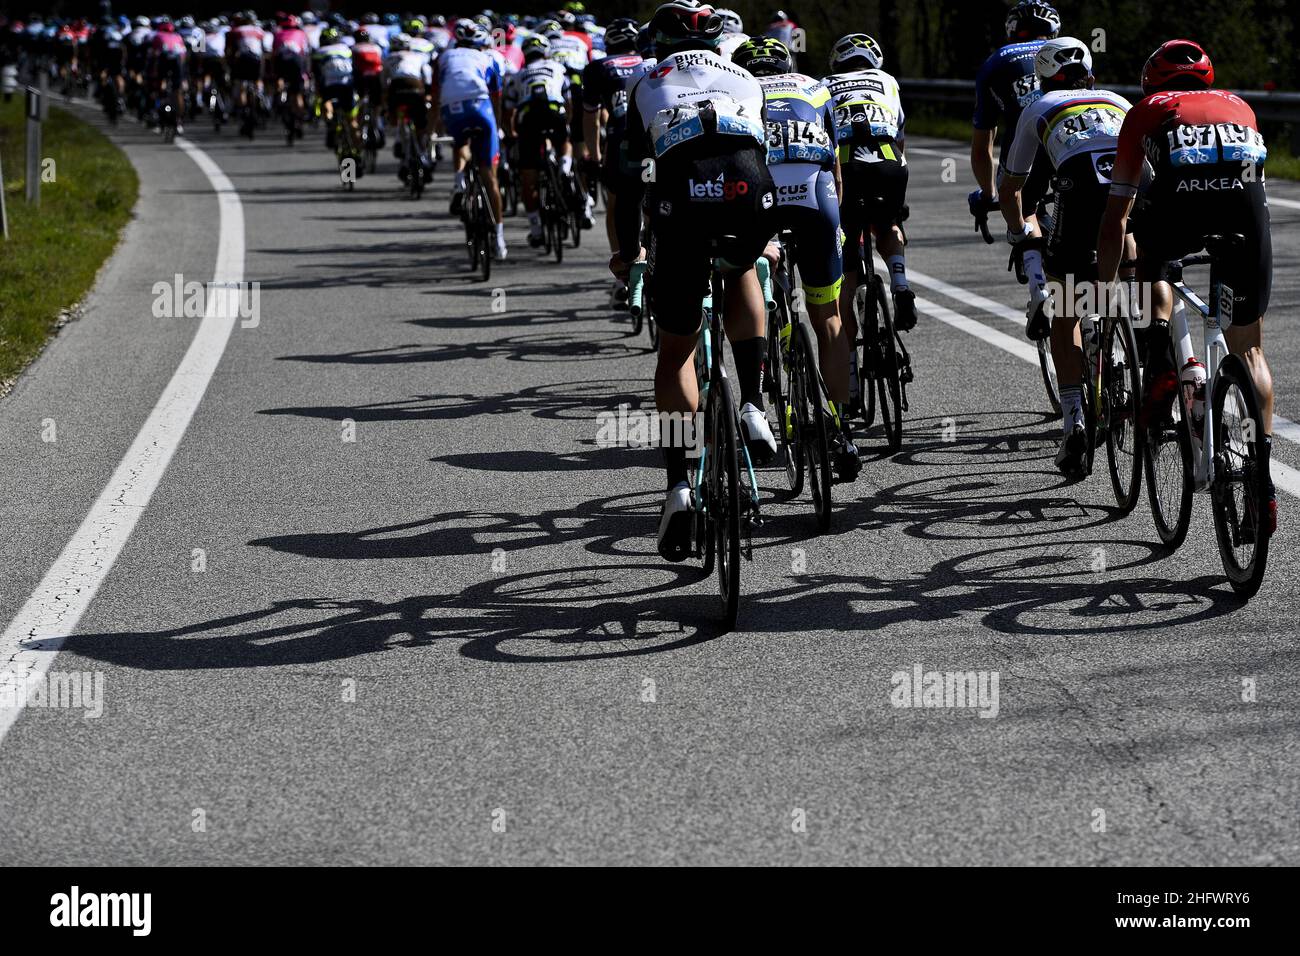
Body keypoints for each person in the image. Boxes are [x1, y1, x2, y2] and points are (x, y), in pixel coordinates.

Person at [612, 0, 778, 561]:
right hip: (747, 189)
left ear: (658, 44)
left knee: (675, 353)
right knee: (743, 272)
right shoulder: (745, 76)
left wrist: (624, 251)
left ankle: (679, 485)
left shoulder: (643, 79)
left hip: (680, 203)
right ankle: (754, 404)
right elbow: (763, 149)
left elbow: (628, 176)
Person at [1097, 39, 1275, 527]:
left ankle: (1161, 362)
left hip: (1177, 207)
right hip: (1245, 212)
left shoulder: (1145, 110)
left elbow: (1116, 214)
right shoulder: (1240, 105)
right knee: (1251, 352)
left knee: (1149, 257)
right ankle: (1261, 478)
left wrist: (1105, 286)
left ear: (1150, 81)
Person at [999, 37, 1132, 477]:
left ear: (1042, 79)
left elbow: (1012, 186)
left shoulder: (1041, 107)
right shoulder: (1115, 98)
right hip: (1129, 186)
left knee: (1066, 307)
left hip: (1077, 187)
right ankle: (1142, 355)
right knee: (1130, 244)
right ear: (1089, 73)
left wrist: (1021, 234)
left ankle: (1073, 418)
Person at [733, 35, 859, 479]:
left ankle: (768, 356)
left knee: (753, 288)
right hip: (816, 198)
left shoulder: (736, 90)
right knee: (828, 318)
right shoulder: (816, 86)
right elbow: (836, 168)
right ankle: (842, 427)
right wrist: (835, 225)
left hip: (760, 199)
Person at [823, 32, 912, 417]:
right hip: (889, 163)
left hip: (847, 167)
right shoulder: (887, 81)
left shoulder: (824, 86)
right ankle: (901, 284)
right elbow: (899, 133)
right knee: (888, 224)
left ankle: (851, 382)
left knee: (843, 265)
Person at [970, 1, 1061, 339]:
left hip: (1026, 144)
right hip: (1074, 139)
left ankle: (1038, 285)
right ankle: (1120, 302)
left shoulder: (997, 61)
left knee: (1026, 209)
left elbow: (982, 148)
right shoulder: (1069, 51)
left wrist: (988, 195)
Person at [581, 15, 653, 297]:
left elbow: (591, 116)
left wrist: (594, 154)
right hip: (659, 136)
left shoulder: (598, 67)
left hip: (620, 139)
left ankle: (623, 266)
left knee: (618, 201)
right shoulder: (650, 62)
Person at [436, 20, 508, 259]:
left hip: (451, 107)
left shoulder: (445, 56)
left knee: (461, 143)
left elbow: (437, 91)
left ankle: (459, 182)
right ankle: (498, 239)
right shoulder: (490, 57)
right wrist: (497, 127)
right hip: (480, 107)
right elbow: (496, 96)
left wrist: (432, 128)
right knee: (490, 176)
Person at [503, 34, 573, 248]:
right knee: (563, 141)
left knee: (528, 178)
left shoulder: (518, 74)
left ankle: (535, 229)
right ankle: (564, 167)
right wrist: (567, 123)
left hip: (528, 118)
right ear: (546, 52)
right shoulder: (557, 67)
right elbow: (568, 99)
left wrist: (511, 132)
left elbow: (508, 110)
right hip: (554, 111)